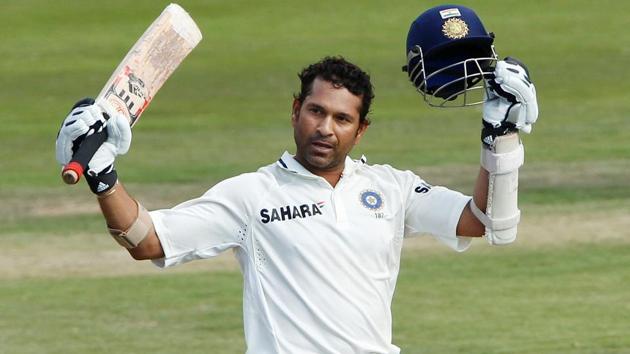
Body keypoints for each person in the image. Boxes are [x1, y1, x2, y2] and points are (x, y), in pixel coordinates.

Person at [55, 5, 538, 354]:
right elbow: (147, 241)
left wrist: (502, 136)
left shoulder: (391, 189)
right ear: (295, 111)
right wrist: (104, 180)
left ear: (360, 128)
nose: (326, 128)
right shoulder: (251, 195)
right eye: (316, 111)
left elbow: (488, 222)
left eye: (342, 119)